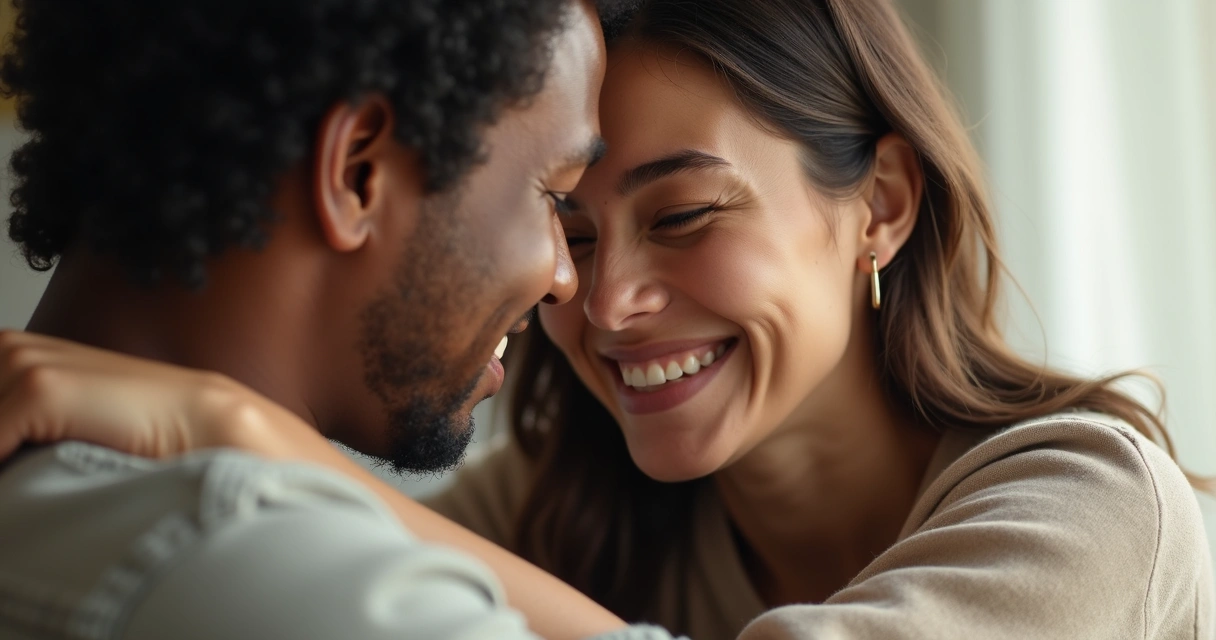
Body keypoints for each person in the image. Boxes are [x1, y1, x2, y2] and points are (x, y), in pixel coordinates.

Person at [1, 0, 1212, 638]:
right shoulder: (559, 501)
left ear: (880, 206)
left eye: (684, 215)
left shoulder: (1092, 505)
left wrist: (246, 438)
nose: (602, 297)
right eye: (567, 224)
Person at [0, 0, 675, 638]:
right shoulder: (276, 575)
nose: (565, 279)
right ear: (357, 172)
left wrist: (245, 434)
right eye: (552, 195)